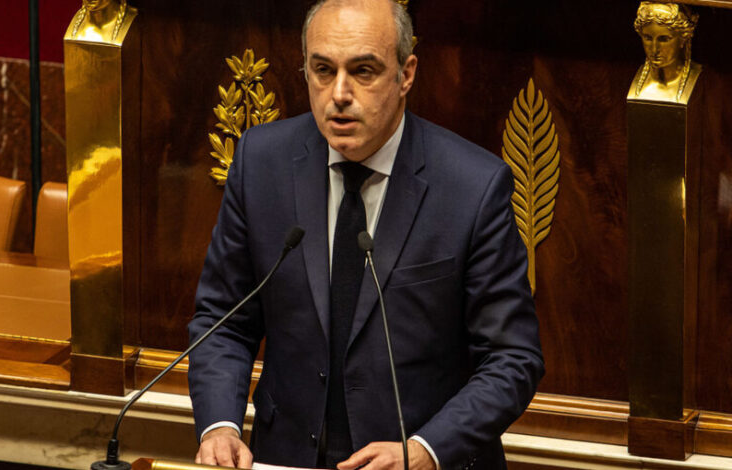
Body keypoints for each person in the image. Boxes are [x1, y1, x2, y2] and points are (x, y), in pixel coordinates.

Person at [188, 1, 544, 469]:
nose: (339, 93)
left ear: (406, 74)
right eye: (323, 70)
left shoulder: (473, 187)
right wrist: (220, 426)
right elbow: (223, 321)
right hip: (285, 457)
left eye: (363, 71)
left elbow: (511, 358)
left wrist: (425, 450)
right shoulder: (260, 163)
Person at [631, 1, 700, 103]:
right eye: (648, 38)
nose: (654, 49)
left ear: (683, 38)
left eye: (664, 39)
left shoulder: (705, 82)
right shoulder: (627, 78)